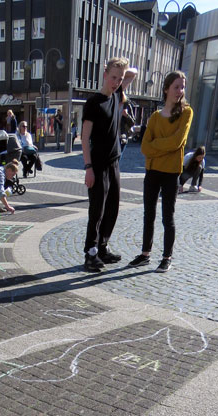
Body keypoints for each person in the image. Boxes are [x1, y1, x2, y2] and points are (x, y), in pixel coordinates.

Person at [127, 71, 193, 273]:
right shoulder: (155, 117)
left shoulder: (186, 113)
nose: (180, 91)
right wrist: (162, 147)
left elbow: (177, 142)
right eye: (176, 87)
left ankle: (166, 257)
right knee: (149, 214)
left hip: (171, 172)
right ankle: (145, 254)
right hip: (152, 171)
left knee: (167, 217)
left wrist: (156, 146)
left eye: (182, 87)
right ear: (166, 89)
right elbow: (144, 148)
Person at [81, 56, 129, 273]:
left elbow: (133, 73)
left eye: (120, 79)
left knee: (112, 208)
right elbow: (84, 138)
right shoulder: (94, 103)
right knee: (97, 211)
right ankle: (90, 253)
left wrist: (122, 68)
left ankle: (102, 247)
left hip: (114, 162)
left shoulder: (117, 95)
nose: (117, 82)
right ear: (104, 75)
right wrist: (88, 168)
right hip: (98, 165)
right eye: (113, 77)